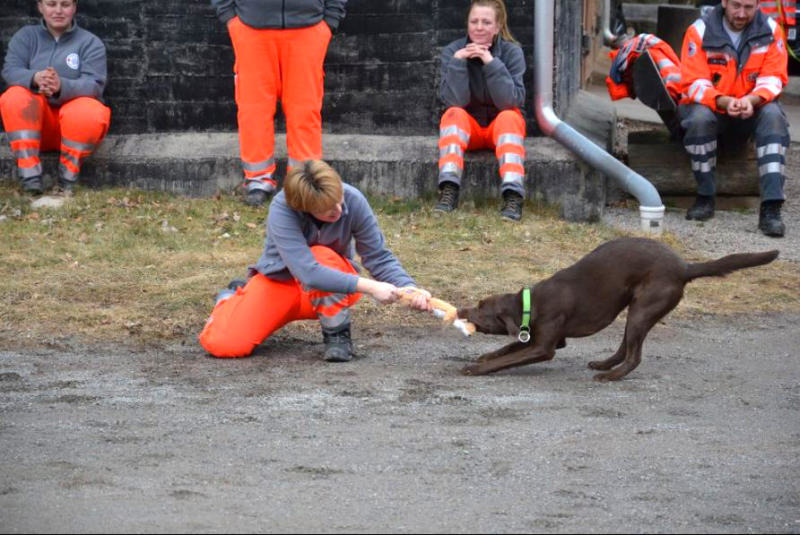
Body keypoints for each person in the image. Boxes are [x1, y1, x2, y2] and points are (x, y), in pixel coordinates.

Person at [199, 159, 431, 362]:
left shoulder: (354, 199)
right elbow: (308, 272)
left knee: (323, 255)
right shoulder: (282, 208)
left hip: (331, 289)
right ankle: (231, 298)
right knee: (223, 344)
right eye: (328, 210)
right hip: (283, 284)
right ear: (304, 207)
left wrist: (408, 288)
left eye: (339, 200)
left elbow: (378, 257)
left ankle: (337, 336)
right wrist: (371, 287)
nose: (339, 210)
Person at [210, 0, 347, 207]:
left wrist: (330, 20)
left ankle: (304, 180)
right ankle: (257, 179)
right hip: (250, 27)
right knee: (253, 108)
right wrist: (230, 17)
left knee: (305, 109)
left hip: (309, 28)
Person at [679, 0, 790, 237]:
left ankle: (771, 207)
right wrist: (724, 101)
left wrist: (751, 100)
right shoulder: (698, 31)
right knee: (698, 118)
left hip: (753, 108)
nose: (741, 14)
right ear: (724, 2)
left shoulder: (771, 31)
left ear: (758, 5)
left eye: (749, 7)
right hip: (713, 108)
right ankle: (705, 197)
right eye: (736, 6)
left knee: (774, 116)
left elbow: (774, 78)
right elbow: (694, 83)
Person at [0, 0, 111, 196]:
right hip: (36, 127)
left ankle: (68, 179)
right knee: (14, 96)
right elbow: (10, 70)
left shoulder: (90, 43)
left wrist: (62, 86)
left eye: (65, 4)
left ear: (74, 8)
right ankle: (30, 177)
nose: (58, 10)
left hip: (70, 130)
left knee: (90, 110)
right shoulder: (26, 37)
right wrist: (34, 78)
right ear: (40, 7)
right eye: (51, 4)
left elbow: (94, 84)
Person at [433, 0, 527, 221]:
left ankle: (513, 196)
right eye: (474, 21)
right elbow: (455, 101)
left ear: (497, 27)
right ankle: (449, 190)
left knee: (510, 117)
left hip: (499, 128)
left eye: (486, 22)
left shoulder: (512, 53)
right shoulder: (452, 51)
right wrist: (457, 63)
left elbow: (510, 101)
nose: (479, 27)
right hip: (471, 129)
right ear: (467, 24)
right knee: (452, 115)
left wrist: (490, 62)